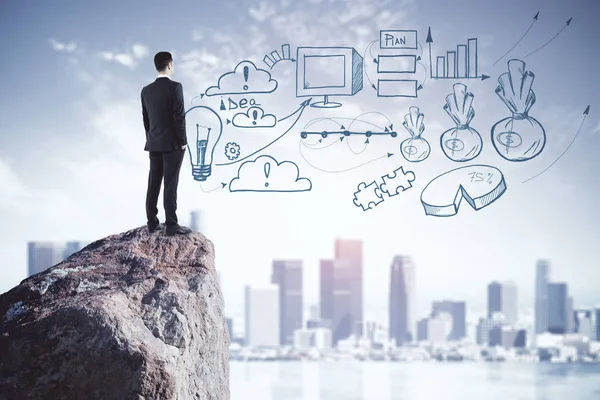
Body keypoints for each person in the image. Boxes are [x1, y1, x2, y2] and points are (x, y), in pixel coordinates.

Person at [141, 51, 192, 236]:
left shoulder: (145, 90)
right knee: (170, 183)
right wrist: (183, 141)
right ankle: (171, 224)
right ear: (170, 65)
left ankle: (152, 222)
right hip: (172, 144)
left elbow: (146, 120)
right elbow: (179, 117)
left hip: (153, 143)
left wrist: (151, 138)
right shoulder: (175, 87)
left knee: (153, 182)